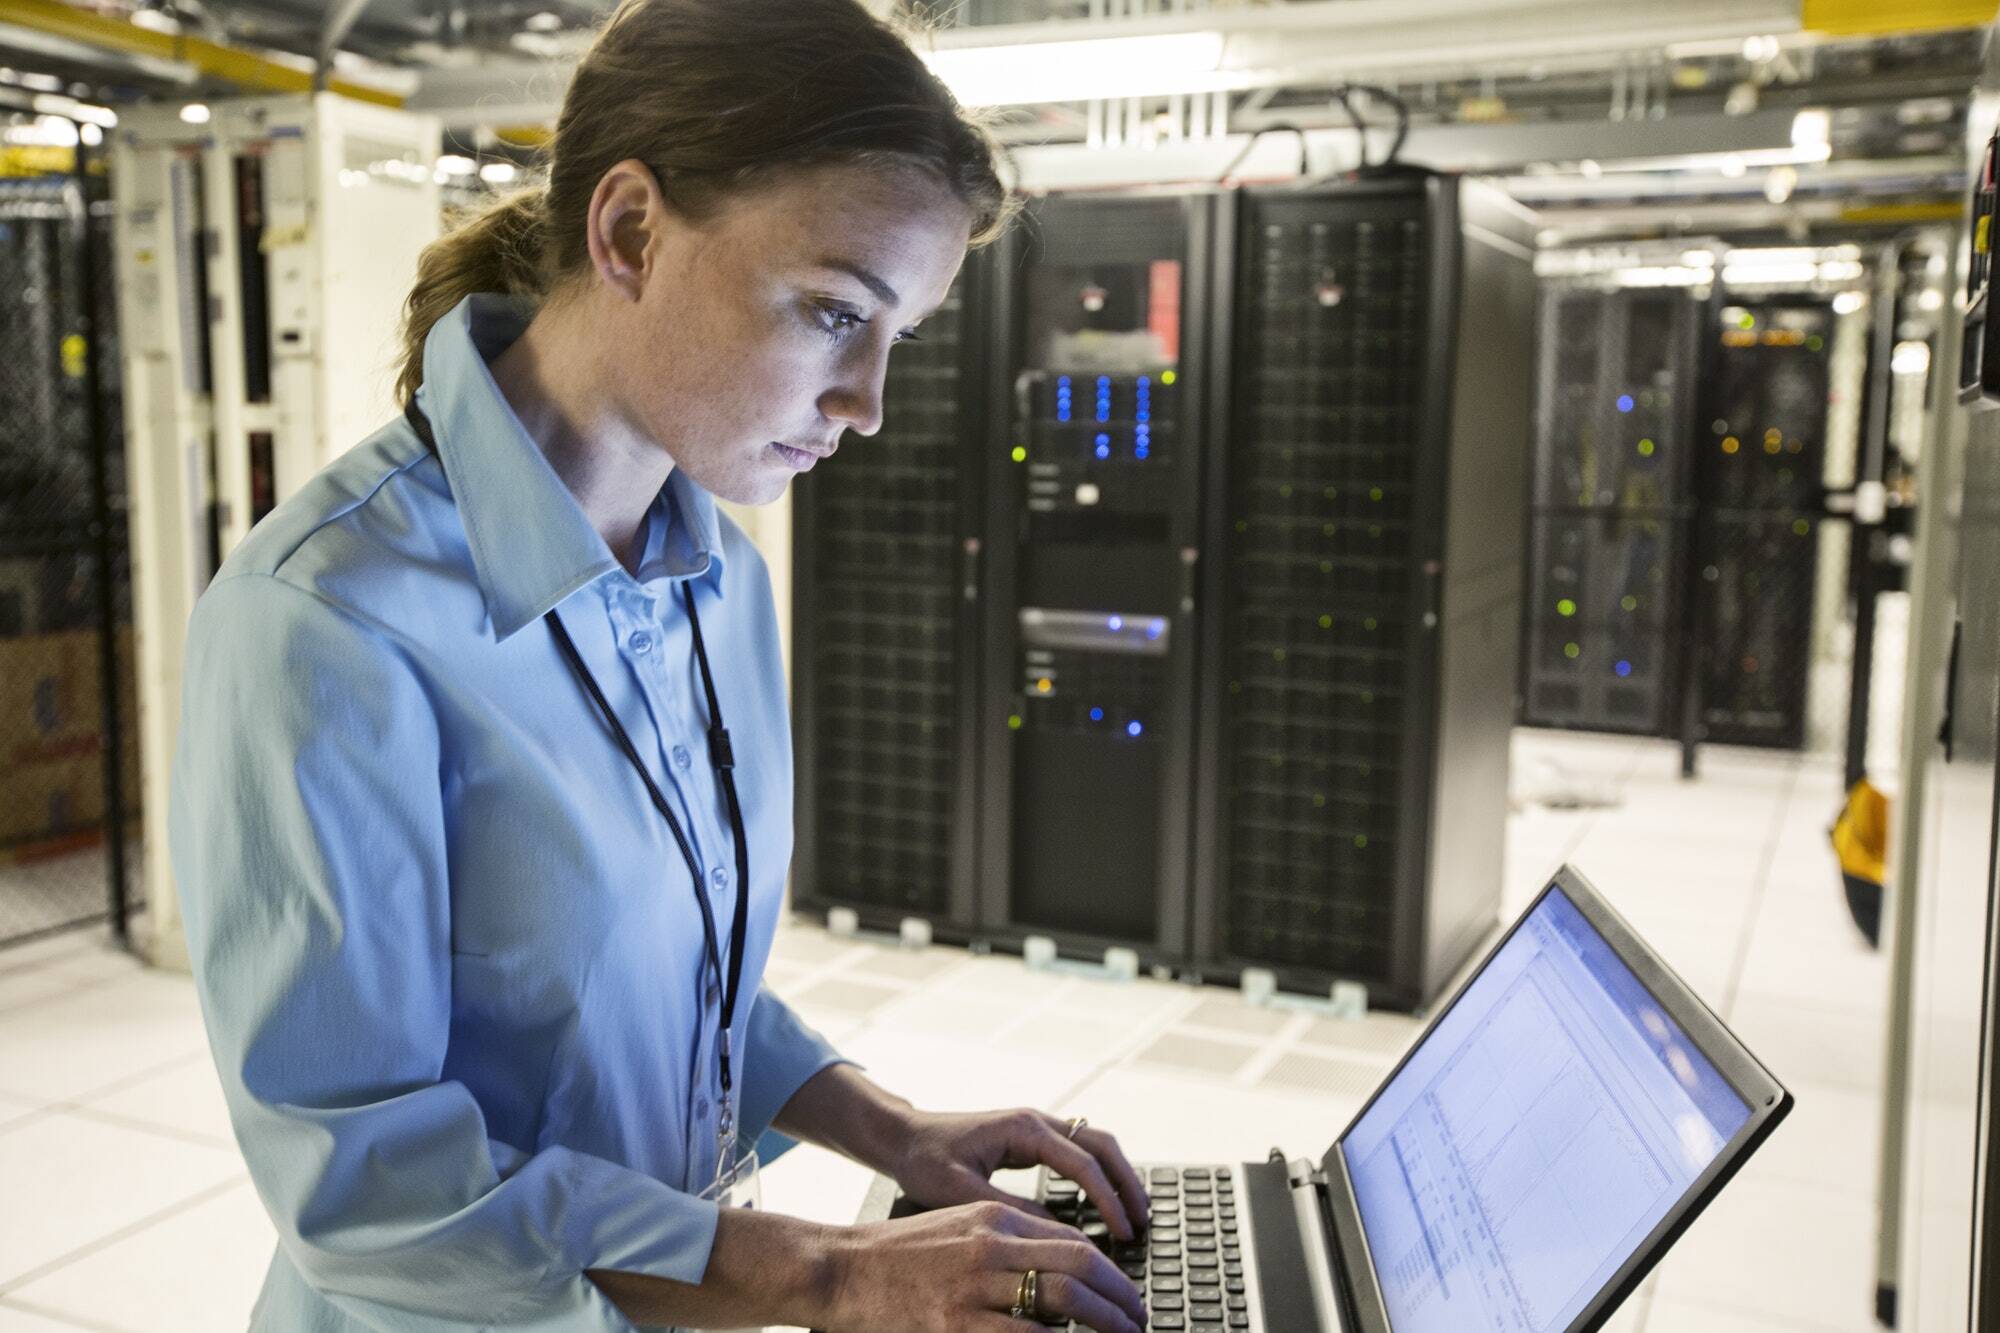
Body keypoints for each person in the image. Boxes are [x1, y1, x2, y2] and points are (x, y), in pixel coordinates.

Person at [168, 1, 1153, 1329]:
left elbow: (674, 984)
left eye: (895, 336)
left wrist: (897, 1132)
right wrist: (829, 1272)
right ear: (630, 231)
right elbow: (369, 1185)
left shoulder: (717, 578)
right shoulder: (330, 618)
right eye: (829, 313)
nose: (867, 400)